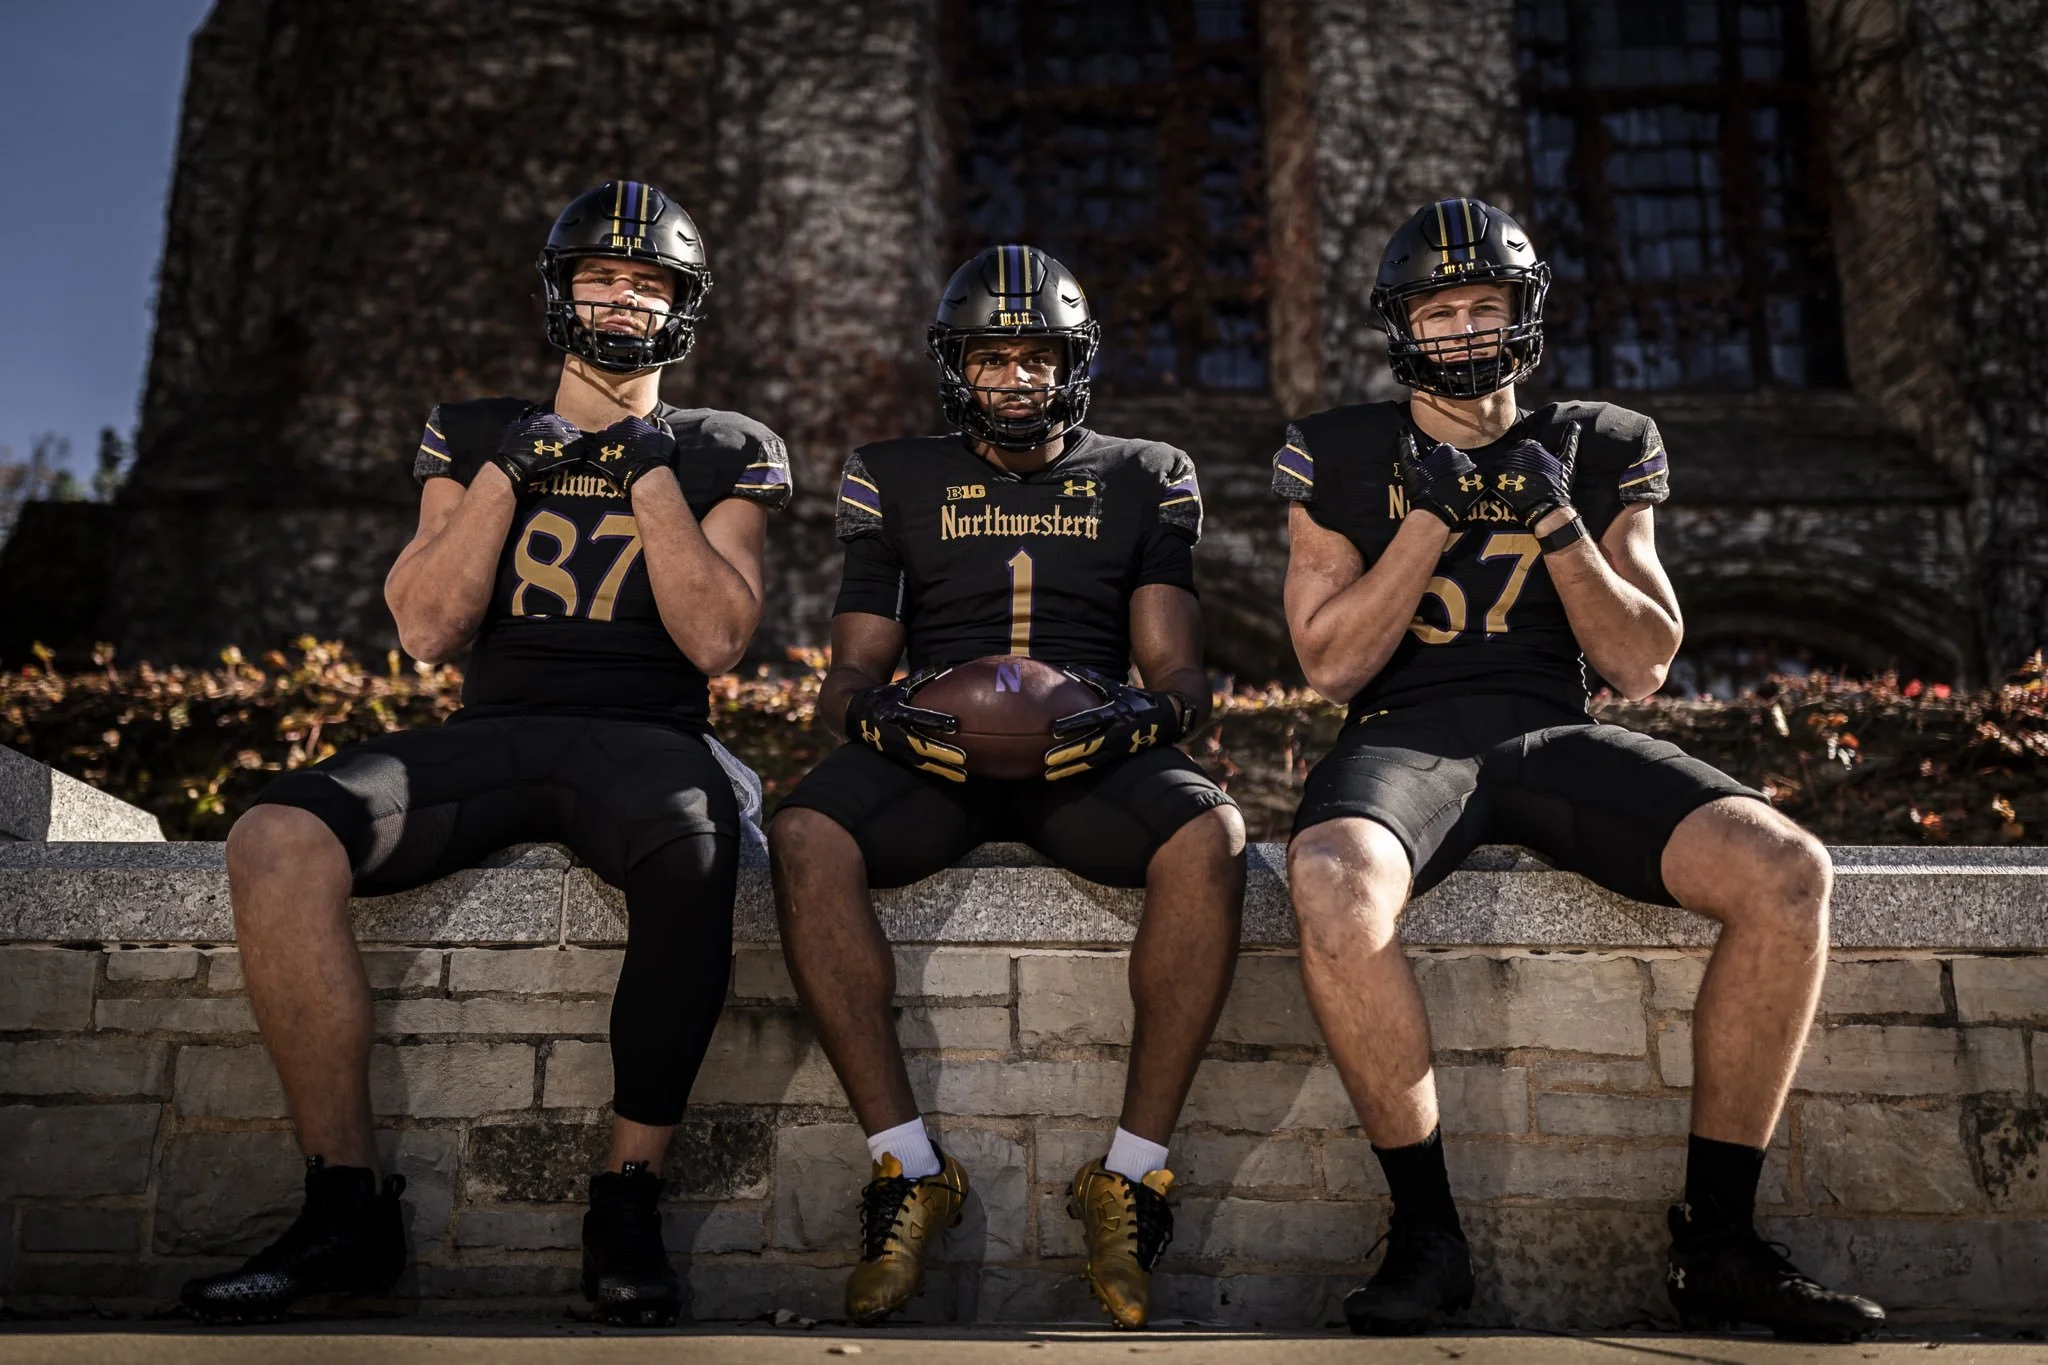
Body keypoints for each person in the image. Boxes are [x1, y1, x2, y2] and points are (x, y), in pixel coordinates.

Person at [1273, 197, 1886, 1341]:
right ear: (1402, 328)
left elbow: (1641, 664)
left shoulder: (1600, 440)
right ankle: (1426, 1237)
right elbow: (1329, 664)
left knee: (1787, 872)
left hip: (1556, 729)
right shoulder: (1340, 451)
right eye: (1439, 311)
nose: (1462, 331)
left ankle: (1718, 1242)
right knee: (1330, 884)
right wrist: (1426, 521)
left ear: (1523, 314)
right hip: (1404, 734)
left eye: (1483, 307)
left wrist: (1554, 518)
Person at [180, 181, 791, 1328]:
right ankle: (344, 1205)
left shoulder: (724, 446)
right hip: (494, 733)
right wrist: (515, 467)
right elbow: (424, 625)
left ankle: (625, 1198)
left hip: (647, 737)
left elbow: (715, 637)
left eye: (646, 282)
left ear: (682, 306)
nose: (620, 300)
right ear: (558, 292)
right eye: (600, 278)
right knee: (274, 838)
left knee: (697, 853)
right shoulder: (470, 430)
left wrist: (643, 464)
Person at [768, 244, 1246, 1330]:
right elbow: (841, 682)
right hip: (936, 757)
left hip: (1087, 758)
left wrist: (1140, 717)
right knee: (801, 833)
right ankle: (905, 1169)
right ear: (956, 368)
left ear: (1073, 365)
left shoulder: (1146, 470)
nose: (1017, 380)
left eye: (1039, 360)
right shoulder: (893, 470)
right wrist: (877, 715)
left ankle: (1130, 1176)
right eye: (994, 359)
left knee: (1210, 837)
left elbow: (1180, 679)